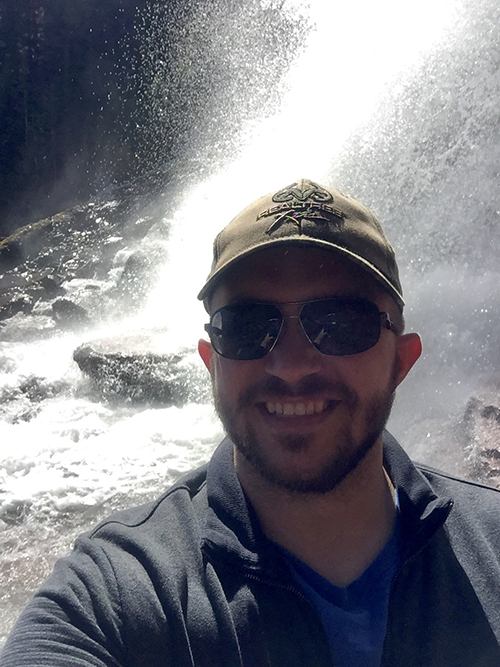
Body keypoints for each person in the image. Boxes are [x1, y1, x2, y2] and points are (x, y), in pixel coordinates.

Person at [2, 179, 500, 667]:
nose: (292, 366)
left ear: (401, 361)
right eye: (246, 327)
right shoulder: (119, 590)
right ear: (211, 363)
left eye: (341, 323)